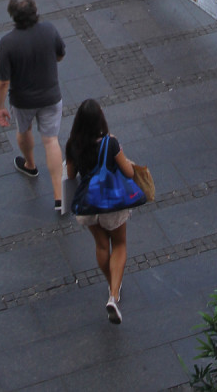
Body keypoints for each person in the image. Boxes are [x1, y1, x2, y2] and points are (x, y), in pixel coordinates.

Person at [65, 99, 140, 324]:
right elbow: (128, 173)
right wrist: (124, 157)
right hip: (111, 203)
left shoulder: (72, 145)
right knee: (119, 244)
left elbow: (70, 175)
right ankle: (113, 295)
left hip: (89, 203)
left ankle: (111, 283)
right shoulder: (110, 143)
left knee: (101, 245)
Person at [0, 0, 65, 213]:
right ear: (35, 12)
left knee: (24, 130)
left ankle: (30, 165)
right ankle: (59, 197)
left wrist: (0, 107)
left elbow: (3, 82)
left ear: (13, 16)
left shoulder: (7, 43)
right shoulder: (50, 30)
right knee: (51, 141)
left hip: (22, 99)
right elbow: (60, 55)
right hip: (51, 96)